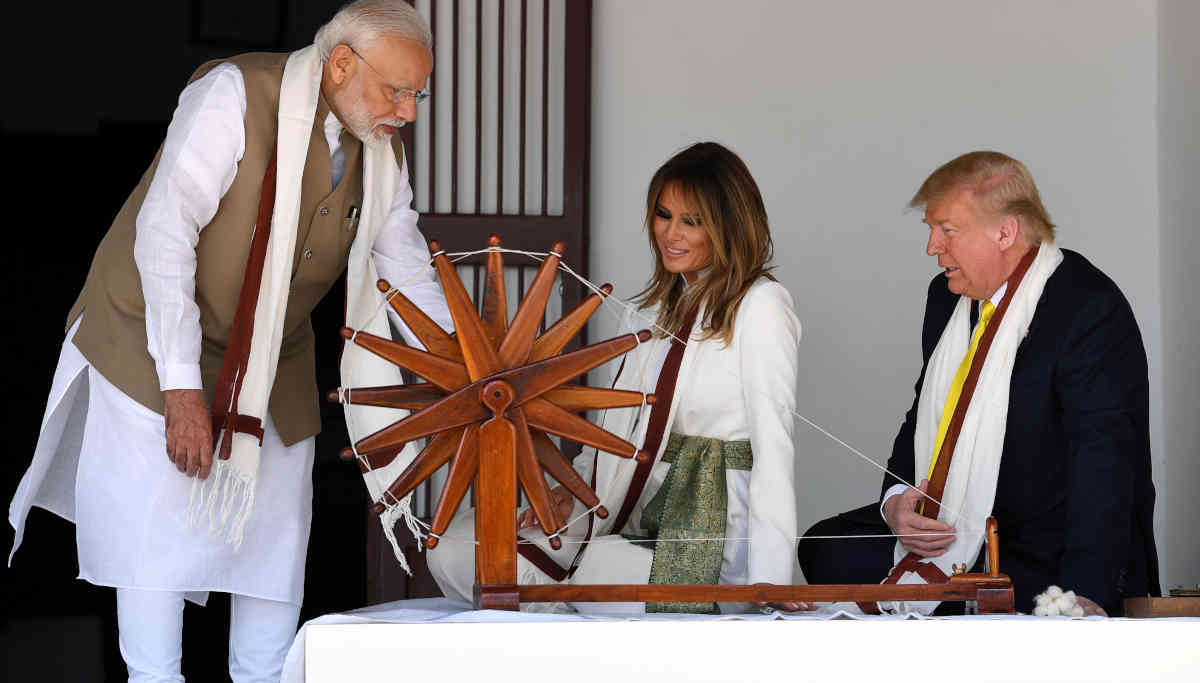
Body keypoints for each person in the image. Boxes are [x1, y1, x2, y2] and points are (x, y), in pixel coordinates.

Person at [7, 1, 452, 680]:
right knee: (154, 549)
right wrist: (180, 386)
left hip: (272, 358)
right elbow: (164, 231)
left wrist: (465, 359)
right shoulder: (234, 95)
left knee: (271, 552)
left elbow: (403, 258)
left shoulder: (379, 154)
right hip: (149, 339)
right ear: (340, 63)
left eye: (416, 94)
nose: (408, 111)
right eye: (397, 90)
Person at [428, 141, 806, 614]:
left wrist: (770, 582)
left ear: (729, 225)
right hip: (619, 508)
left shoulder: (761, 305)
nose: (671, 234)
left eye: (692, 221)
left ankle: (599, 612)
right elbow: (613, 431)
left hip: (705, 528)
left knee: (594, 574)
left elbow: (775, 444)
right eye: (664, 215)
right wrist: (571, 490)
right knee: (456, 548)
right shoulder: (653, 309)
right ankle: (568, 614)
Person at [798, 151, 1159, 616]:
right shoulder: (945, 297)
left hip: (1034, 541)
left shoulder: (1087, 307)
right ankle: (948, 596)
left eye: (947, 230)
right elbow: (925, 414)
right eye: (931, 229)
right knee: (825, 546)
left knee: (1009, 595)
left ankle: (958, 600)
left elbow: (1106, 467)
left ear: (1005, 232)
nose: (932, 247)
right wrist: (896, 504)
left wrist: (1084, 594)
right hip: (950, 523)